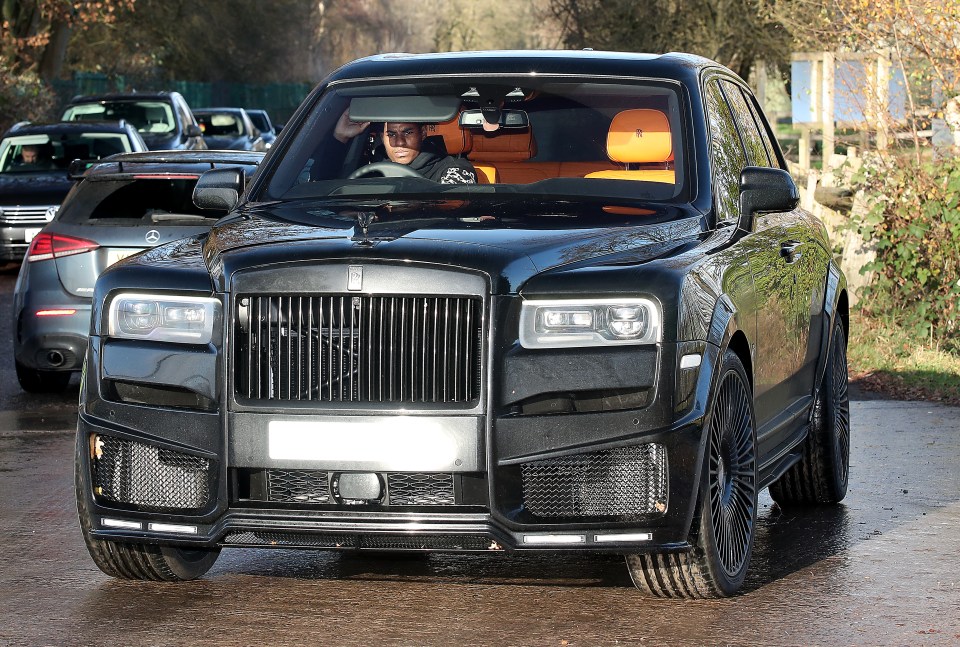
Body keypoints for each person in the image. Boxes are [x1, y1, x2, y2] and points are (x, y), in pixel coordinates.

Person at [333, 109, 477, 184]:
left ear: (423, 133)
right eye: (391, 134)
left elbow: (450, 215)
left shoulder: (454, 170)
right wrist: (340, 137)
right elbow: (323, 187)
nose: (399, 142)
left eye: (407, 133)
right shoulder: (371, 171)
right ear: (383, 138)